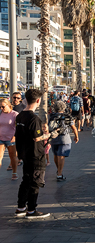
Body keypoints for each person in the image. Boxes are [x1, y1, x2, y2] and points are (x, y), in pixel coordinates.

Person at [14, 89, 53, 219]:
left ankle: (21, 207)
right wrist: (50, 135)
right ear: (38, 100)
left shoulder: (20, 116)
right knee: (35, 182)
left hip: (24, 153)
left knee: (25, 180)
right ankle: (31, 209)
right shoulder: (34, 118)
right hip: (35, 154)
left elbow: (18, 136)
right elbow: (37, 137)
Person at [49, 100, 79, 182]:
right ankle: (59, 174)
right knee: (61, 155)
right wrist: (76, 136)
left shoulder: (51, 116)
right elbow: (73, 128)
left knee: (56, 155)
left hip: (54, 137)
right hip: (64, 138)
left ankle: (59, 170)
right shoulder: (67, 116)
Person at [0, 98, 19, 180]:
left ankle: (14, 172)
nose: (1, 108)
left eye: (3, 106)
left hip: (10, 138)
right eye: (0, 106)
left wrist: (14, 136)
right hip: (1, 137)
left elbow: (18, 127)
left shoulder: (14, 114)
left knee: (12, 156)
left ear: (8, 105)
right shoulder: (0, 113)